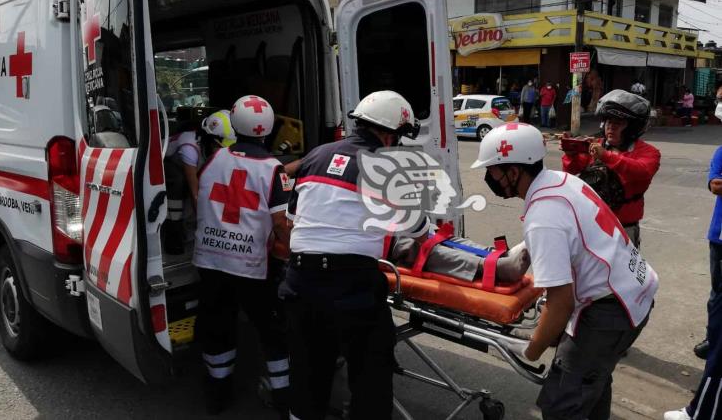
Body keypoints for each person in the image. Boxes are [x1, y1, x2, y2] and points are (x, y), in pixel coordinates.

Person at [472, 123, 658, 420]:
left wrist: (530, 351)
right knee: (594, 379)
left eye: (493, 169)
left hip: (611, 310)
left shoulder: (544, 215)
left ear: (515, 171)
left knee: (561, 406)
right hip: (635, 288)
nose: (489, 177)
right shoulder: (563, 181)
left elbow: (560, 304)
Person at [280, 90, 422, 420]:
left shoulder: (316, 155)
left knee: (307, 379)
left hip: (300, 283)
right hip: (351, 287)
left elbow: (292, 217)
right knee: (371, 377)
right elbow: (417, 227)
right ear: (388, 134)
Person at [193, 95, 292, 416]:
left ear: (233, 123)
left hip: (210, 261)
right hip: (252, 268)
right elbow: (280, 223)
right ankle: (282, 397)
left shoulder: (214, 159)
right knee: (271, 330)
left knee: (217, 325)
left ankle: (217, 394)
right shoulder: (272, 169)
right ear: (269, 128)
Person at [666, 93, 722, 420]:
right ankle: (711, 336)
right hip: (719, 239)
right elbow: (715, 184)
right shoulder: (720, 153)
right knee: (716, 298)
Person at [562, 90, 660, 249]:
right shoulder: (596, 145)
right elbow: (571, 172)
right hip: (590, 224)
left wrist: (607, 156)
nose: (611, 128)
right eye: (608, 122)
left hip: (623, 228)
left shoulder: (648, 152)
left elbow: (642, 171)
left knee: (623, 273)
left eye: (618, 123)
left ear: (632, 127)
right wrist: (571, 155)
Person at [162, 110, 237, 255]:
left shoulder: (213, 145)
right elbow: (195, 192)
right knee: (178, 181)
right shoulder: (189, 149)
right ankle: (174, 231)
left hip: (192, 164)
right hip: (166, 162)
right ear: (211, 140)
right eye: (220, 148)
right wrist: (208, 228)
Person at [388, 231, 529, 283]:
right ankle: (495, 267)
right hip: (384, 245)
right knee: (418, 246)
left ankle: (501, 255)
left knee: (438, 235)